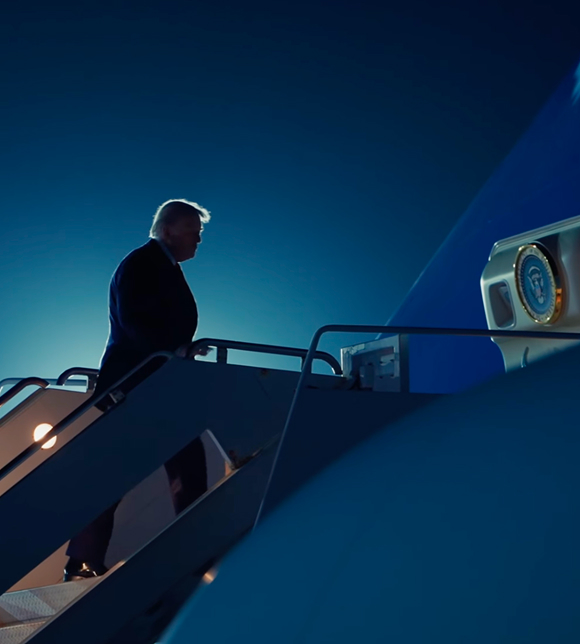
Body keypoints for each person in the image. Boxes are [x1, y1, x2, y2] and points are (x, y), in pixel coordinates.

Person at [64, 199, 211, 582]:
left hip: (151, 382)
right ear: (168, 230)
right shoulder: (143, 264)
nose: (198, 239)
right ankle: (193, 551)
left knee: (144, 468)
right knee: (169, 465)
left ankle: (83, 560)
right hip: (139, 383)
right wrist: (175, 350)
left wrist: (179, 351)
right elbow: (135, 321)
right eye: (193, 230)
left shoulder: (161, 265)